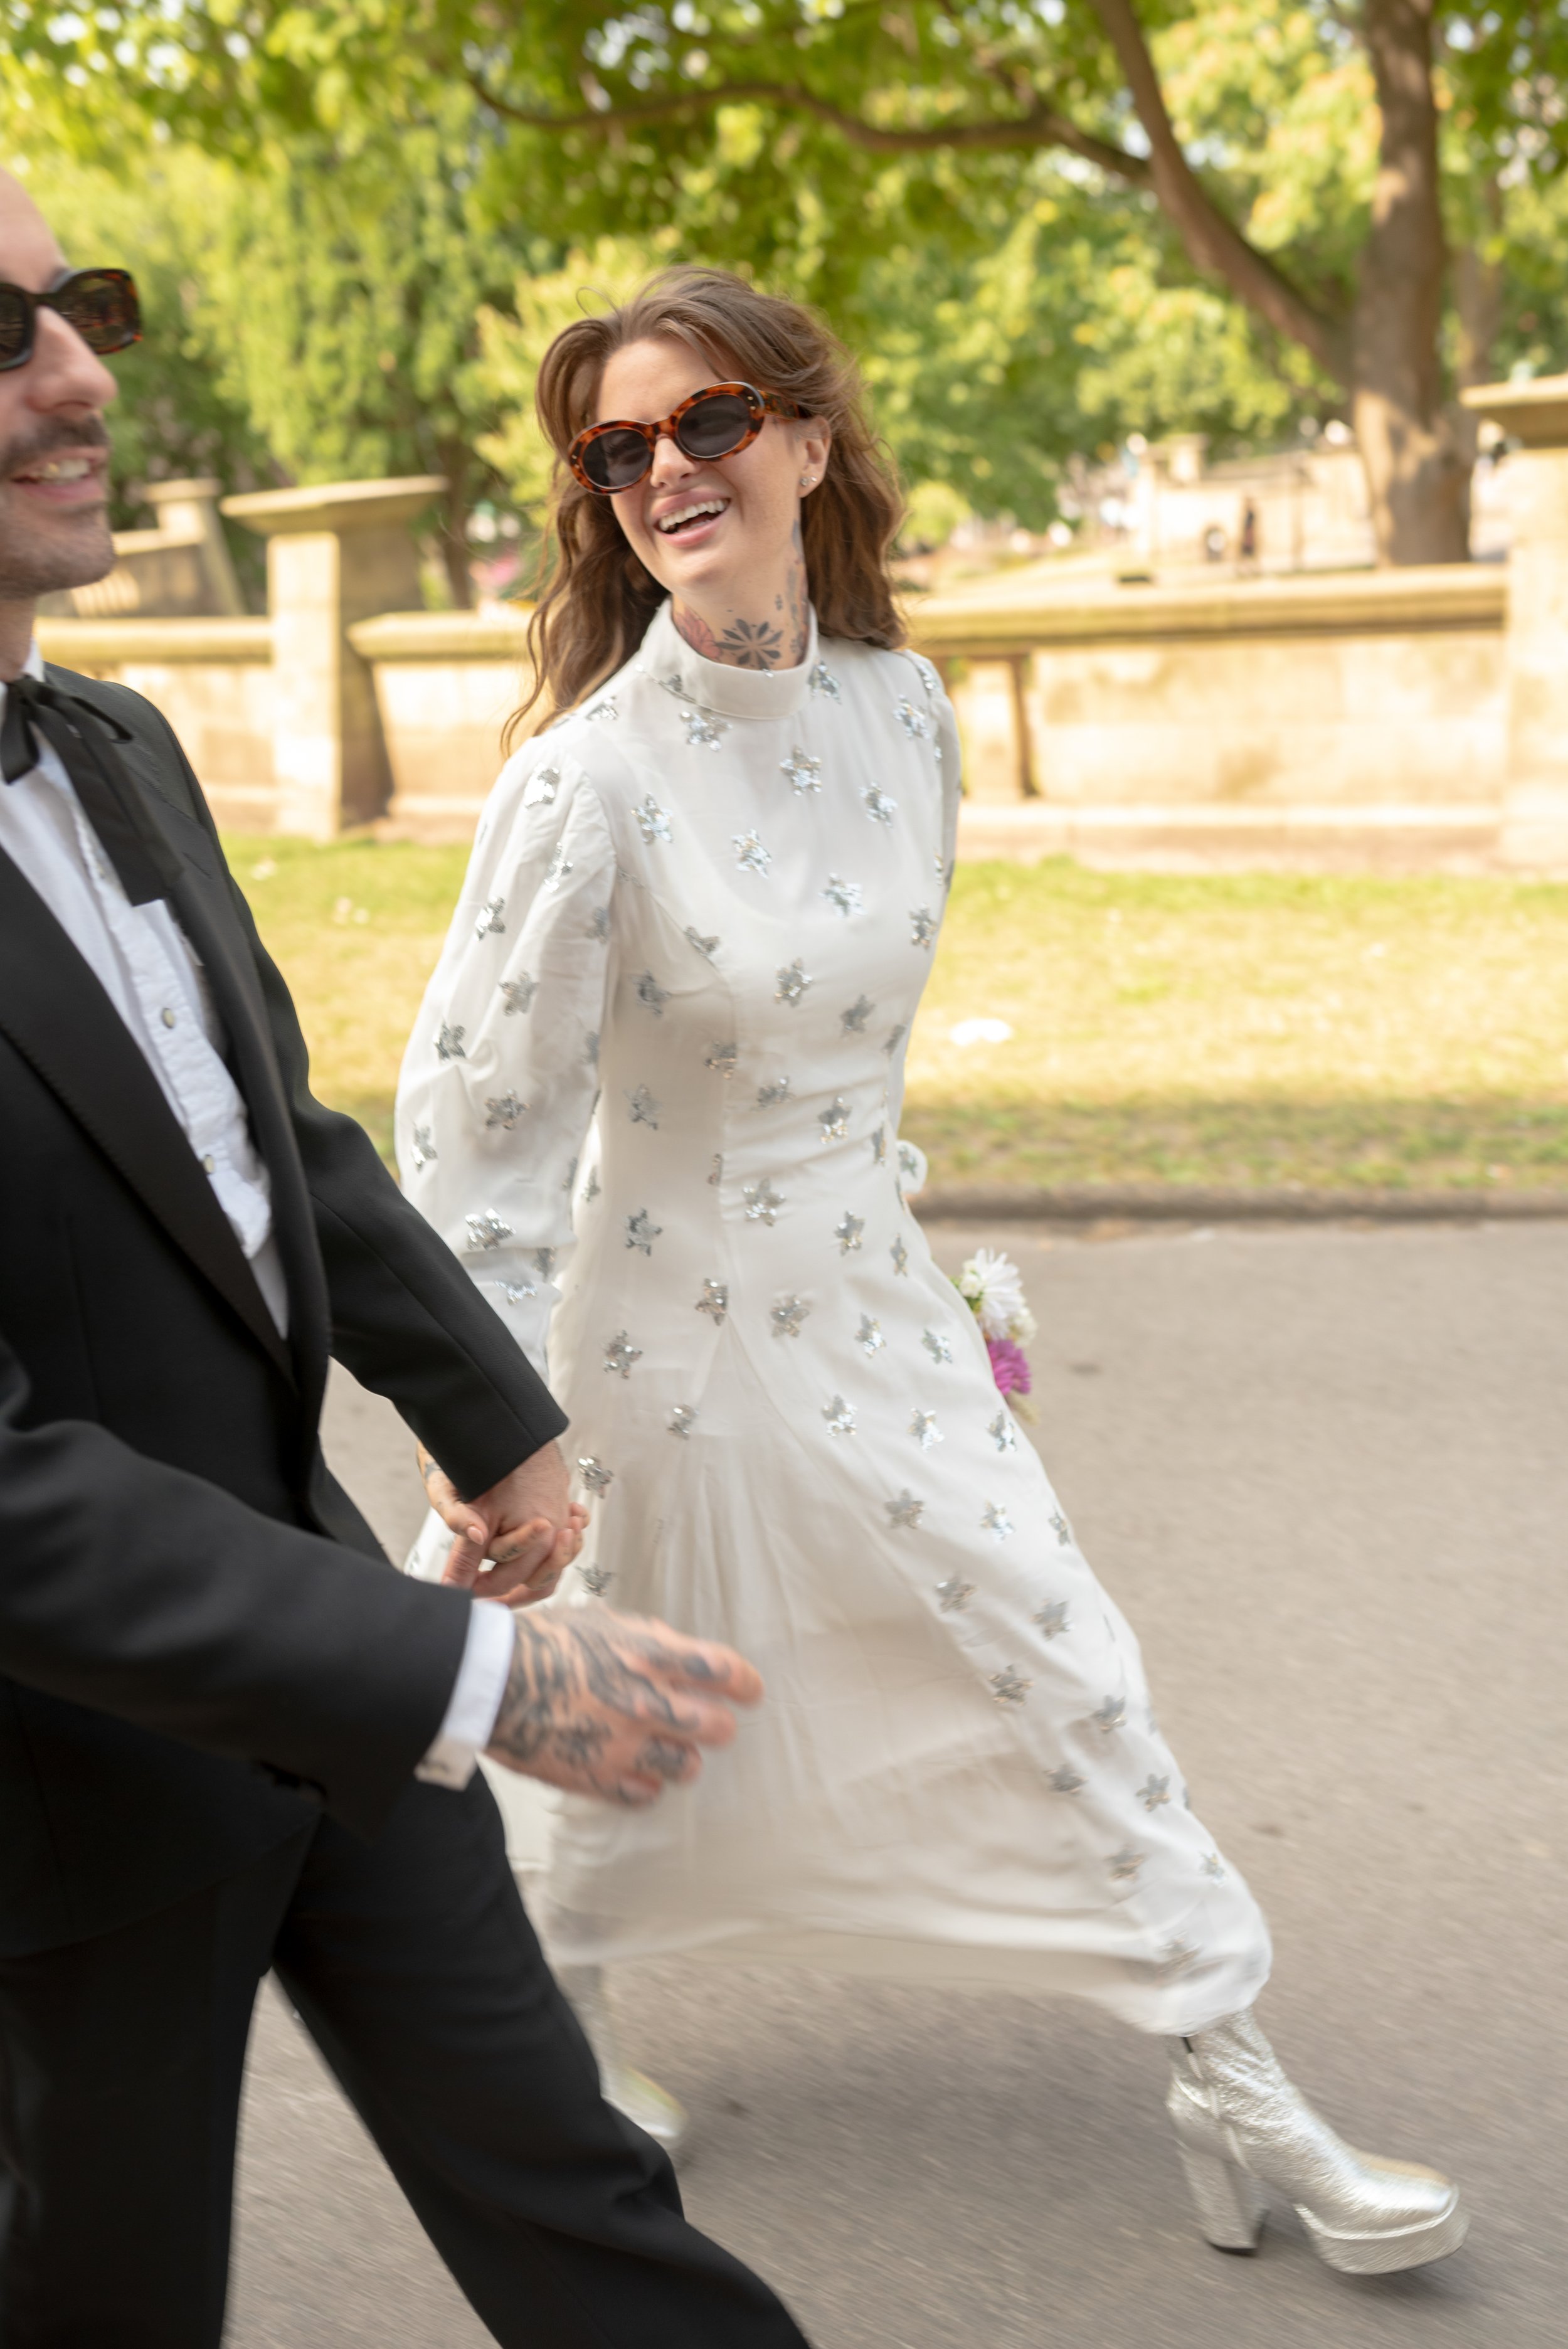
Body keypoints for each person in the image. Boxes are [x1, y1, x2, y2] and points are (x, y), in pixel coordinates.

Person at [399, 265, 1470, 2281]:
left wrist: (933, 1275)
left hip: (872, 1308)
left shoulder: (906, 711)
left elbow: (858, 1060)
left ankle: (1231, 2082)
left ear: (806, 437)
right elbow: (476, 1124)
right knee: (613, 1700)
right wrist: (488, 1424)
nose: (663, 472)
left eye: (706, 422)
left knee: (1057, 1649)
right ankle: (567, 2034)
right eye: (617, 451)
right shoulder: (585, 782)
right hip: (656, 1344)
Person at [0, 174, 815, 2349]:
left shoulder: (117, 745)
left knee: (588, 2213)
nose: (83, 372)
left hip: (342, 1657)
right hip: (57, 1807)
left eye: (82, 305)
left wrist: (494, 1415)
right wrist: (492, 1679)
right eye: (3, 333)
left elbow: (272, 1142)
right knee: (105, 2299)